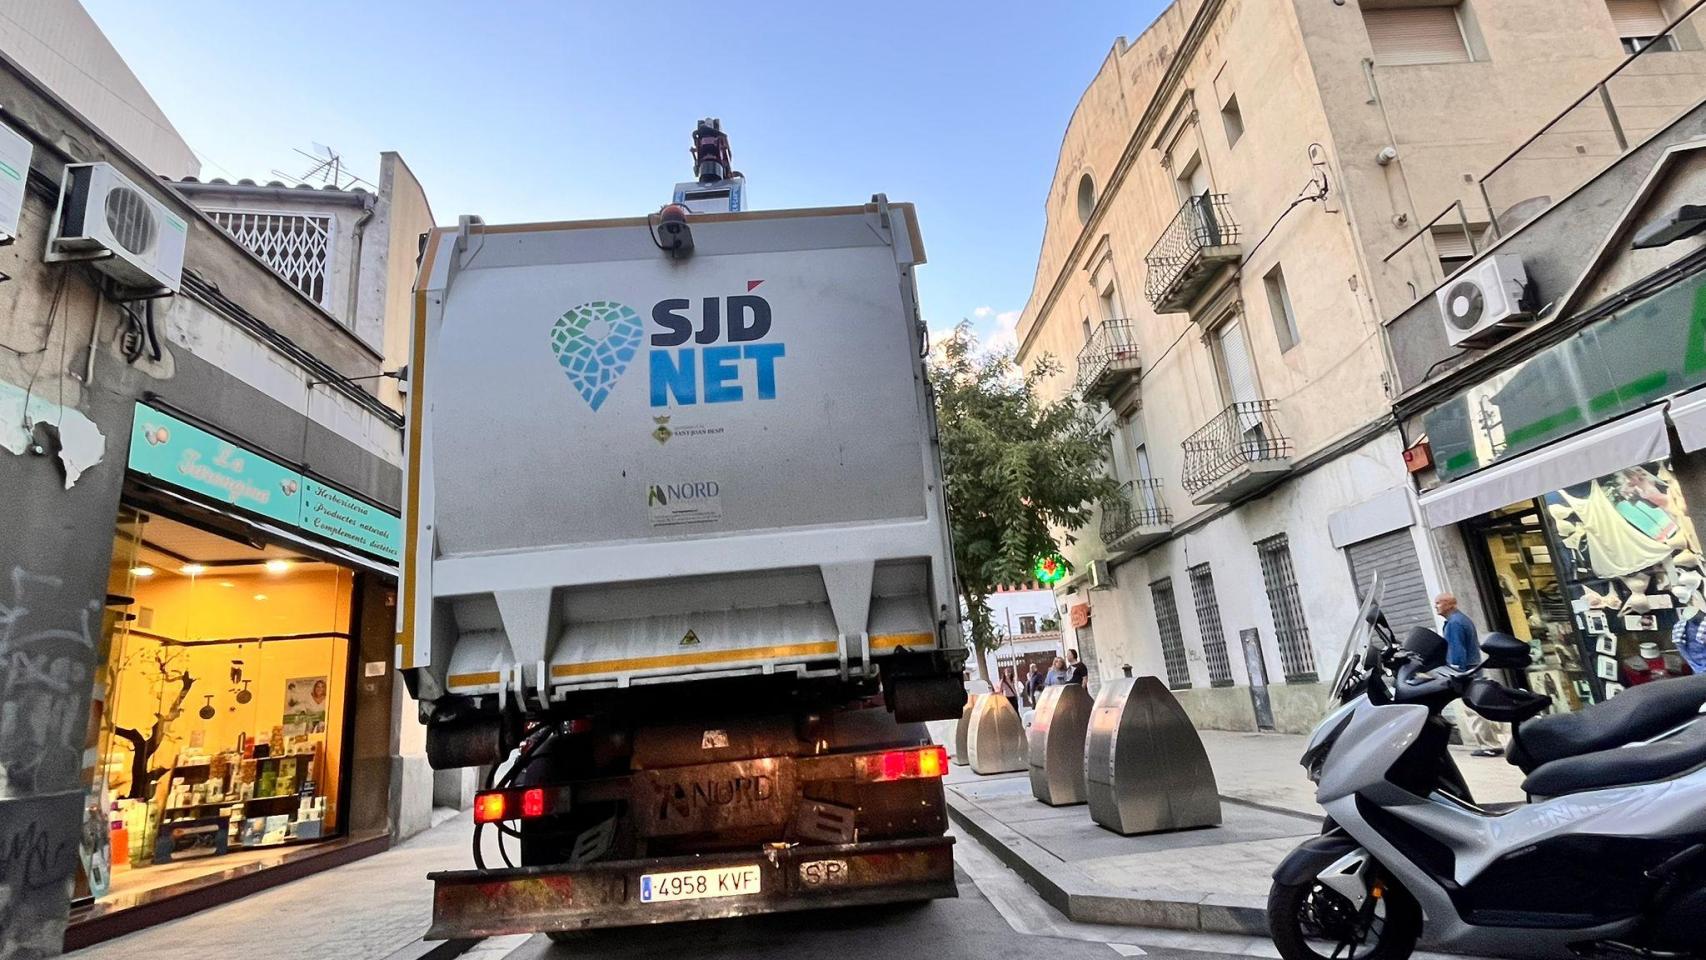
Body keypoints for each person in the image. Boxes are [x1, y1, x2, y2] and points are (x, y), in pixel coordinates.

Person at [1435, 592, 1499, 757]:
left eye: (1439, 603)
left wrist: (1456, 672)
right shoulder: (1459, 620)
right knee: (1476, 706)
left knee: (1473, 708)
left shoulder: (1455, 623)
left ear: (1450, 604)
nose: (1436, 606)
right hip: (1473, 668)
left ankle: (1488, 745)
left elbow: (1457, 650)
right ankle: (1491, 743)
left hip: (1466, 671)